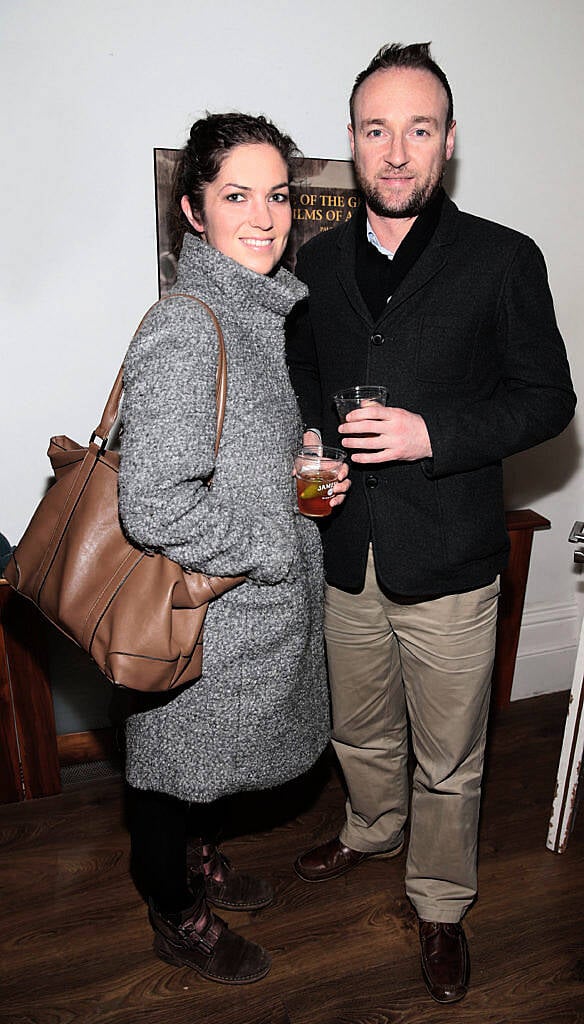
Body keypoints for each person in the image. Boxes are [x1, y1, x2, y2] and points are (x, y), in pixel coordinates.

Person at [286, 43, 576, 1004]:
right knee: (361, 729)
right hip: (344, 553)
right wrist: (308, 444)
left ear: (448, 144)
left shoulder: (504, 258)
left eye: (419, 130)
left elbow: (548, 400)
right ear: (355, 144)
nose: (397, 151)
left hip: (449, 557)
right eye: (378, 131)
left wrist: (431, 433)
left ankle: (443, 904)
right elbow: (303, 389)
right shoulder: (316, 263)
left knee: (450, 757)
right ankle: (371, 829)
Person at [117, 112, 349, 986]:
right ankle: (175, 915)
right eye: (237, 195)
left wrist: (297, 475)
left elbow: (223, 457)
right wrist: (276, 538)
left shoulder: (253, 315)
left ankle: (199, 866)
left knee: (196, 785)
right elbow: (154, 504)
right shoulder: (188, 322)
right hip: (199, 625)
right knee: (168, 785)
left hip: (239, 615)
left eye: (279, 195)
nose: (264, 216)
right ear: (194, 210)